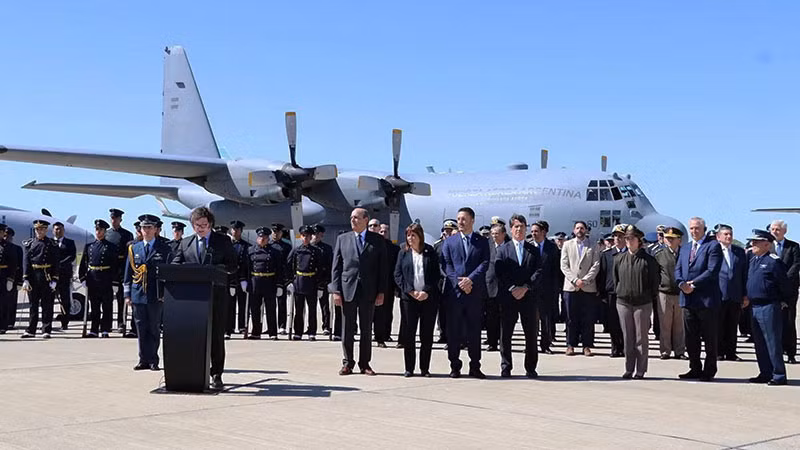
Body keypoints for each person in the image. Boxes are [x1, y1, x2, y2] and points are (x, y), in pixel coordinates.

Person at [171, 207, 238, 389]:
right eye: (197, 225)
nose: (201, 228)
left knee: (216, 335)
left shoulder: (222, 241)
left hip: (216, 295)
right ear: (192, 225)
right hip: (192, 298)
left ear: (211, 225)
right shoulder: (185, 243)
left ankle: (216, 374)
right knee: (195, 335)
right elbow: (175, 265)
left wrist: (217, 270)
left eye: (204, 225)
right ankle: (195, 371)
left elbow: (233, 265)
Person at [330, 208, 387, 375]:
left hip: (369, 290)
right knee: (347, 328)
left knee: (366, 329)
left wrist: (381, 291)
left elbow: (383, 268)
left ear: (365, 219)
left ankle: (365, 363)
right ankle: (348, 362)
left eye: (356, 217)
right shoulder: (343, 239)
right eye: (351, 218)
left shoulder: (377, 240)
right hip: (348, 289)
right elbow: (336, 267)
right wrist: (336, 291)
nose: (353, 220)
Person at [440, 207, 490, 379]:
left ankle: (475, 365)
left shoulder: (481, 241)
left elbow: (484, 263)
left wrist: (470, 280)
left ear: (472, 220)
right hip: (455, 293)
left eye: (464, 219)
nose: (460, 222)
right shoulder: (450, 241)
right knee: (453, 331)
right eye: (458, 219)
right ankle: (455, 365)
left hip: (474, 293)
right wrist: (459, 282)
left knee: (474, 331)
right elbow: (446, 265)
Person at [494, 214, 542, 378]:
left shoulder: (534, 250)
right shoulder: (503, 249)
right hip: (509, 297)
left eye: (522, 226)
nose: (519, 229)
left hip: (528, 297)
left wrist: (526, 287)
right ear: (510, 229)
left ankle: (530, 367)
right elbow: (499, 272)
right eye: (516, 226)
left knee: (531, 334)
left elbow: (539, 271)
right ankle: (506, 366)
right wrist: (513, 288)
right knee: (506, 334)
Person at [675, 217, 722, 382]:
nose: (694, 231)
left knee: (709, 337)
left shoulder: (713, 246)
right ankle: (694, 367)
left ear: (704, 229)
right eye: (692, 228)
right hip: (688, 300)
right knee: (691, 337)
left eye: (697, 228)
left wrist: (693, 284)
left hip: (706, 300)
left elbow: (712, 270)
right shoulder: (685, 248)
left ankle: (709, 371)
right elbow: (678, 268)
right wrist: (681, 284)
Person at [124, 215, 172, 371]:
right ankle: (142, 359)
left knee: (154, 327)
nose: (147, 231)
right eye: (144, 228)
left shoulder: (164, 248)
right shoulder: (134, 248)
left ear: (156, 229)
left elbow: (168, 273)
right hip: (138, 294)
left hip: (156, 294)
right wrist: (127, 295)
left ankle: (153, 359)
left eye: (150, 228)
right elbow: (128, 273)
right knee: (140, 327)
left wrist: (166, 293)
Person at [394, 223, 441, 377]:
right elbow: (398, 275)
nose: (410, 238)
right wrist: (410, 291)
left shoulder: (430, 252)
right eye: (408, 235)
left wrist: (426, 291)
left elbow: (436, 275)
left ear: (420, 236)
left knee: (426, 334)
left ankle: (424, 368)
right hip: (409, 299)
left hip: (428, 299)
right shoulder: (403, 253)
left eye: (413, 235)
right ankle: (409, 368)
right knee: (409, 334)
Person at [614, 225, 660, 379]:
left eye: (631, 238)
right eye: (626, 238)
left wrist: (647, 297)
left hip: (643, 303)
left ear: (639, 240)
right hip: (623, 302)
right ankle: (628, 368)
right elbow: (616, 281)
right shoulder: (619, 259)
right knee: (628, 337)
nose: (628, 241)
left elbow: (655, 283)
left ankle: (640, 369)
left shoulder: (649, 261)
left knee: (641, 338)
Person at [746, 229, 791, 385]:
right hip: (754, 306)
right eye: (752, 242)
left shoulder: (774, 262)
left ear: (766, 244)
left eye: (756, 242)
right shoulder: (753, 260)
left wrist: (783, 301)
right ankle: (765, 372)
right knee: (759, 343)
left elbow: (784, 285)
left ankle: (778, 375)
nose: (753, 244)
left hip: (769, 306)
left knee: (772, 342)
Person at [560, 220, 601, 356]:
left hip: (588, 287)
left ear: (586, 230)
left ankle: (587, 346)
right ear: (574, 230)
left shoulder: (593, 245)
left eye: (582, 228)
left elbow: (596, 265)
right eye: (577, 228)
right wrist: (575, 280)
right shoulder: (567, 245)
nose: (579, 230)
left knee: (588, 318)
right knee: (571, 318)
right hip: (571, 287)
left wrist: (585, 280)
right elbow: (564, 265)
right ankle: (570, 345)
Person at [77, 219, 119, 338]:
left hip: (105, 277)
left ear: (105, 231)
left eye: (100, 230)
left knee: (106, 306)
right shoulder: (90, 246)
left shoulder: (111, 247)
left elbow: (115, 265)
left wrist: (114, 281)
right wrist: (83, 278)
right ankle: (94, 329)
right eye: (96, 229)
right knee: (94, 306)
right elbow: (84, 264)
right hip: (93, 278)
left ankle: (105, 329)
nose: (98, 232)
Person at [20, 220, 60, 339]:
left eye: (42, 229)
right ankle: (31, 329)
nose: (39, 231)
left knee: (47, 305)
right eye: (37, 229)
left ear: (46, 230)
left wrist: (55, 279)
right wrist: (25, 278)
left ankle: (46, 329)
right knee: (33, 305)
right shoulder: (30, 244)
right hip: (33, 276)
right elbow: (26, 262)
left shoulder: (51, 244)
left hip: (46, 276)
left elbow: (56, 263)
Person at [715, 224, 748, 362]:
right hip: (718, 294)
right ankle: (718, 352)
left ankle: (731, 352)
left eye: (730, 234)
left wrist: (745, 294)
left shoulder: (739, 252)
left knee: (732, 325)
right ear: (718, 237)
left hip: (735, 294)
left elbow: (744, 274)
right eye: (725, 234)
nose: (728, 237)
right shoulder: (713, 251)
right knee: (718, 325)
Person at [769, 220, 800, 364]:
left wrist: (784, 281)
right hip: (772, 291)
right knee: (774, 323)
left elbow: (795, 265)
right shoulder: (767, 247)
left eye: (777, 229)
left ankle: (791, 353)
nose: (775, 232)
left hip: (789, 291)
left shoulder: (793, 247)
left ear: (784, 231)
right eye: (773, 229)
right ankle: (777, 351)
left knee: (788, 322)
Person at [653, 227, 686, 360]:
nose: (669, 241)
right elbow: (655, 274)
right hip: (664, 292)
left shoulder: (685, 254)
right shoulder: (659, 254)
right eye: (667, 238)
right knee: (665, 324)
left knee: (679, 325)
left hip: (681, 293)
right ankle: (665, 350)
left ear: (679, 240)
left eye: (672, 239)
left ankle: (679, 350)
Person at [597, 224, 628, 358]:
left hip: (627, 294)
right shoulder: (606, 255)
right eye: (615, 236)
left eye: (620, 236)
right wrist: (601, 293)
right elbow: (602, 275)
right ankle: (615, 348)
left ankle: (626, 348)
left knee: (626, 324)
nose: (617, 239)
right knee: (613, 323)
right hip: (611, 293)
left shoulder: (630, 253)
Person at [247, 227, 283, 340]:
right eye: (260, 237)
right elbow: (246, 268)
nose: (262, 239)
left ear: (268, 239)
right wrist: (244, 281)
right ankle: (256, 332)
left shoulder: (275, 252)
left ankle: (272, 332)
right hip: (255, 282)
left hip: (269, 282)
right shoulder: (250, 250)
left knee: (271, 309)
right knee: (254, 309)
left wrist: (280, 285)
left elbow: (280, 269)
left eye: (265, 238)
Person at [287, 225, 322, 340]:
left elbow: (321, 268)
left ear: (311, 236)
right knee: (298, 309)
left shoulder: (316, 251)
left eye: (307, 236)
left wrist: (320, 285)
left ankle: (312, 332)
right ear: (300, 237)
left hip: (311, 282)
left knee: (312, 310)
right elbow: (289, 266)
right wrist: (290, 281)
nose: (305, 238)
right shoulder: (296, 250)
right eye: (303, 236)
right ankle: (298, 332)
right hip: (299, 282)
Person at [531, 221, 559, 353]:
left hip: (547, 289)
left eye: (536, 231)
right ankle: (530, 346)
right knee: (531, 320)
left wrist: (555, 289)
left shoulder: (552, 248)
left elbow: (556, 270)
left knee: (546, 319)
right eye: (532, 232)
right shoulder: (528, 246)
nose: (533, 234)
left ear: (543, 232)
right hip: (531, 289)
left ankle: (545, 344)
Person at [106, 208, 135, 335]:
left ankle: (121, 322)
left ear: (120, 220)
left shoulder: (127, 234)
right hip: (110, 268)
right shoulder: (106, 233)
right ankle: (107, 323)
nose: (114, 221)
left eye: (116, 218)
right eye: (112, 218)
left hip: (122, 267)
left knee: (122, 298)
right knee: (107, 298)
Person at [375, 222, 400, 348]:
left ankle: (386, 334)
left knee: (387, 311)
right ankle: (375, 334)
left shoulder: (394, 249)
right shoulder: (373, 246)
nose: (383, 233)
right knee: (374, 311)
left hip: (388, 284)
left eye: (385, 231)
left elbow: (397, 268)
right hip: (373, 284)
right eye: (381, 231)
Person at [434, 219, 458, 344]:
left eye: (450, 231)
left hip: (454, 280)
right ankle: (443, 334)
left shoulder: (458, 245)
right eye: (445, 230)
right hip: (441, 280)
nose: (447, 233)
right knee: (441, 310)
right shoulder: (438, 245)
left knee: (453, 310)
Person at [227, 220, 251, 339]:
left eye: (237, 230)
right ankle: (229, 327)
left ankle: (242, 326)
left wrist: (245, 279)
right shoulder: (227, 245)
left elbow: (247, 264)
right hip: (230, 279)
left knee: (243, 304)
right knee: (230, 305)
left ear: (241, 231)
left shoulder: (246, 246)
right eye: (234, 229)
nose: (235, 231)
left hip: (242, 280)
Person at [483, 223, 505, 352]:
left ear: (503, 234)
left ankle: (503, 341)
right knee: (491, 317)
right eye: (493, 234)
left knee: (505, 318)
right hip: (490, 286)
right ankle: (492, 342)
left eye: (497, 233)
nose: (494, 236)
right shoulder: (487, 246)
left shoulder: (508, 246)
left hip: (505, 287)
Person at [52, 222, 76, 331]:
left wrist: (59, 264)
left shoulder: (70, 243)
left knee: (65, 299)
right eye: (56, 229)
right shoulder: (50, 243)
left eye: (60, 229)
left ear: (64, 230)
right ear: (53, 231)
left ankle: (65, 322)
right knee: (49, 300)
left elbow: (72, 256)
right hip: (51, 276)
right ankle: (47, 323)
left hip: (64, 275)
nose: (58, 231)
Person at [311, 224, 334, 337]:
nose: (315, 236)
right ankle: (311, 327)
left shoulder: (327, 248)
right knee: (311, 306)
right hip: (310, 280)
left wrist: (328, 280)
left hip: (323, 280)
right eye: (314, 234)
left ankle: (326, 326)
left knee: (325, 305)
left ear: (321, 235)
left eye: (317, 234)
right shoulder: (307, 247)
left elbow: (330, 266)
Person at [270, 224, 293, 335]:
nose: (275, 234)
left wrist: (288, 279)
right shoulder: (268, 245)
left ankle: (282, 325)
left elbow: (288, 264)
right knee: (270, 304)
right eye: (274, 232)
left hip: (281, 278)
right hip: (269, 278)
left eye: (277, 232)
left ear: (281, 233)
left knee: (281, 303)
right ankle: (271, 326)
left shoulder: (286, 247)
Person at [0, 225, 20, 334]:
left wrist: (11, 279)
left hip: (4, 276)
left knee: (4, 303)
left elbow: (14, 264)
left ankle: (3, 325)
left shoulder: (10, 247)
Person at [4, 228, 23, 330]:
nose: (7, 238)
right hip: (2, 277)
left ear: (12, 237)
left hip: (13, 278)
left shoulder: (17, 249)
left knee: (11, 302)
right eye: (5, 236)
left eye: (9, 236)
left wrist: (20, 281)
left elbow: (19, 266)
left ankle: (10, 322)